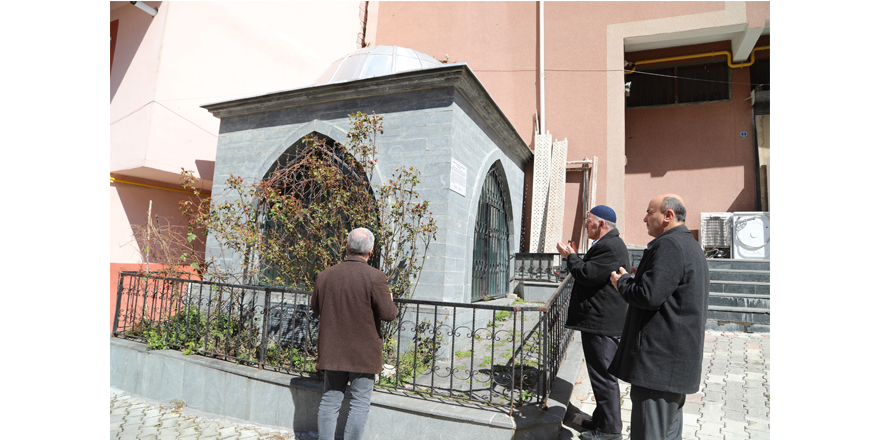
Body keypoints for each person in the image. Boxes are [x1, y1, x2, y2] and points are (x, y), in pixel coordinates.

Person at [609, 194, 709, 440]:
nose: (644, 218)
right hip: (670, 365)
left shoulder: (670, 245)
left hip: (658, 367)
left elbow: (648, 296)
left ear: (668, 216)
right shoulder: (687, 244)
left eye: (649, 212)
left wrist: (622, 282)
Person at [310, 227, 398, 440]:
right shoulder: (376, 277)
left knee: (330, 400)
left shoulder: (325, 275)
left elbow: (316, 308)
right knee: (360, 403)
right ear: (371, 251)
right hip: (363, 352)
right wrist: (391, 301)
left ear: (347, 247)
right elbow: (389, 314)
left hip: (333, 350)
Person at [557, 205, 630, 440]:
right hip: (600, 319)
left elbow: (586, 274)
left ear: (601, 224)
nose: (585, 225)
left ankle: (609, 431)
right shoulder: (606, 244)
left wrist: (570, 257)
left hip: (602, 322)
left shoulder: (610, 246)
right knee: (599, 374)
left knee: (603, 376)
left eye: (588, 221)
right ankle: (601, 419)